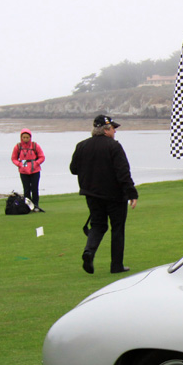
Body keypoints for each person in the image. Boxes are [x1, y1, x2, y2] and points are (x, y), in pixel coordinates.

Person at [70, 115, 139, 274]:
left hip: (92, 194)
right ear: (106, 129)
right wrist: (131, 193)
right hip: (114, 195)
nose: (115, 131)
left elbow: (74, 169)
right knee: (117, 228)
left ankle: (89, 251)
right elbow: (123, 172)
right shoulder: (114, 146)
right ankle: (116, 266)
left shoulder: (82, 146)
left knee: (98, 225)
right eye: (113, 128)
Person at [11, 128, 45, 211]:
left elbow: (42, 157)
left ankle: (35, 205)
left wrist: (36, 163)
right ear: (21, 138)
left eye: (27, 137)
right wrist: (19, 164)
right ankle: (27, 206)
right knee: (26, 189)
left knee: (35, 188)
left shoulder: (35, 146)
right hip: (23, 171)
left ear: (30, 137)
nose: (26, 139)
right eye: (24, 137)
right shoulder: (18, 147)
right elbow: (14, 158)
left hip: (35, 170)